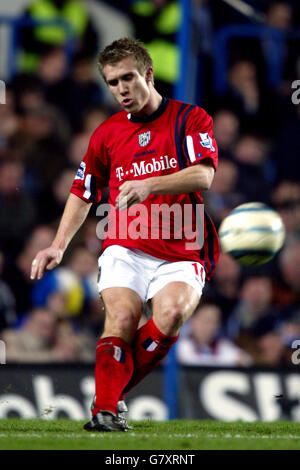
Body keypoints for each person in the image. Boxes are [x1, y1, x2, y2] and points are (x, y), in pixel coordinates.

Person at [30, 37, 219, 432]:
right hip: (125, 244)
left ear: (148, 74)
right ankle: (106, 411)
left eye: (128, 78)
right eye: (113, 82)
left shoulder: (190, 118)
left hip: (183, 246)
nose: (121, 89)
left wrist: (150, 184)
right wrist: (58, 244)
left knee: (169, 314)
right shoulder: (106, 134)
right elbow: (83, 191)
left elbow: (204, 174)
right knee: (122, 316)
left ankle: (108, 398)